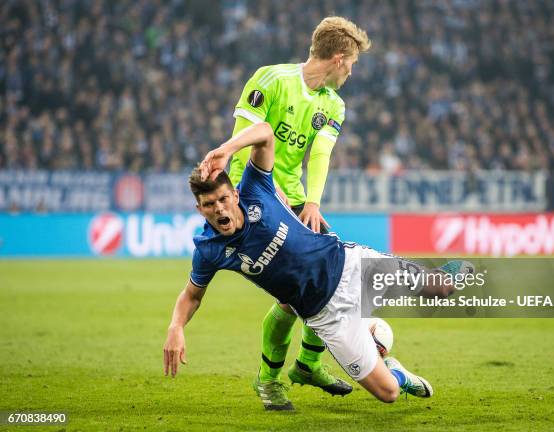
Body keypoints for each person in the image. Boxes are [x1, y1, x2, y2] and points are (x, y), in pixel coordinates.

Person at [163, 122, 471, 406]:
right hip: (325, 316)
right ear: (199, 209)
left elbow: (266, 132)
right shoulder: (209, 249)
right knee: (389, 393)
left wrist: (227, 150)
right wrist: (176, 327)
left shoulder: (256, 188)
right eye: (209, 205)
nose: (219, 210)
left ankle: (437, 283)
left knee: (441, 288)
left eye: (222, 199)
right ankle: (392, 367)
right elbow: (192, 295)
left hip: (350, 267)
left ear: (234, 193)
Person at [225, 17, 371, 409]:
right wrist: (255, 193)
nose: (352, 72)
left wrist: (312, 203)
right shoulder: (271, 79)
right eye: (353, 63)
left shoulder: (332, 104)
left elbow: (320, 153)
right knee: (296, 296)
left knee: (332, 278)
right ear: (339, 58)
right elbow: (241, 141)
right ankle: (270, 381)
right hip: (252, 196)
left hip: (293, 200)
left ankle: (306, 364)